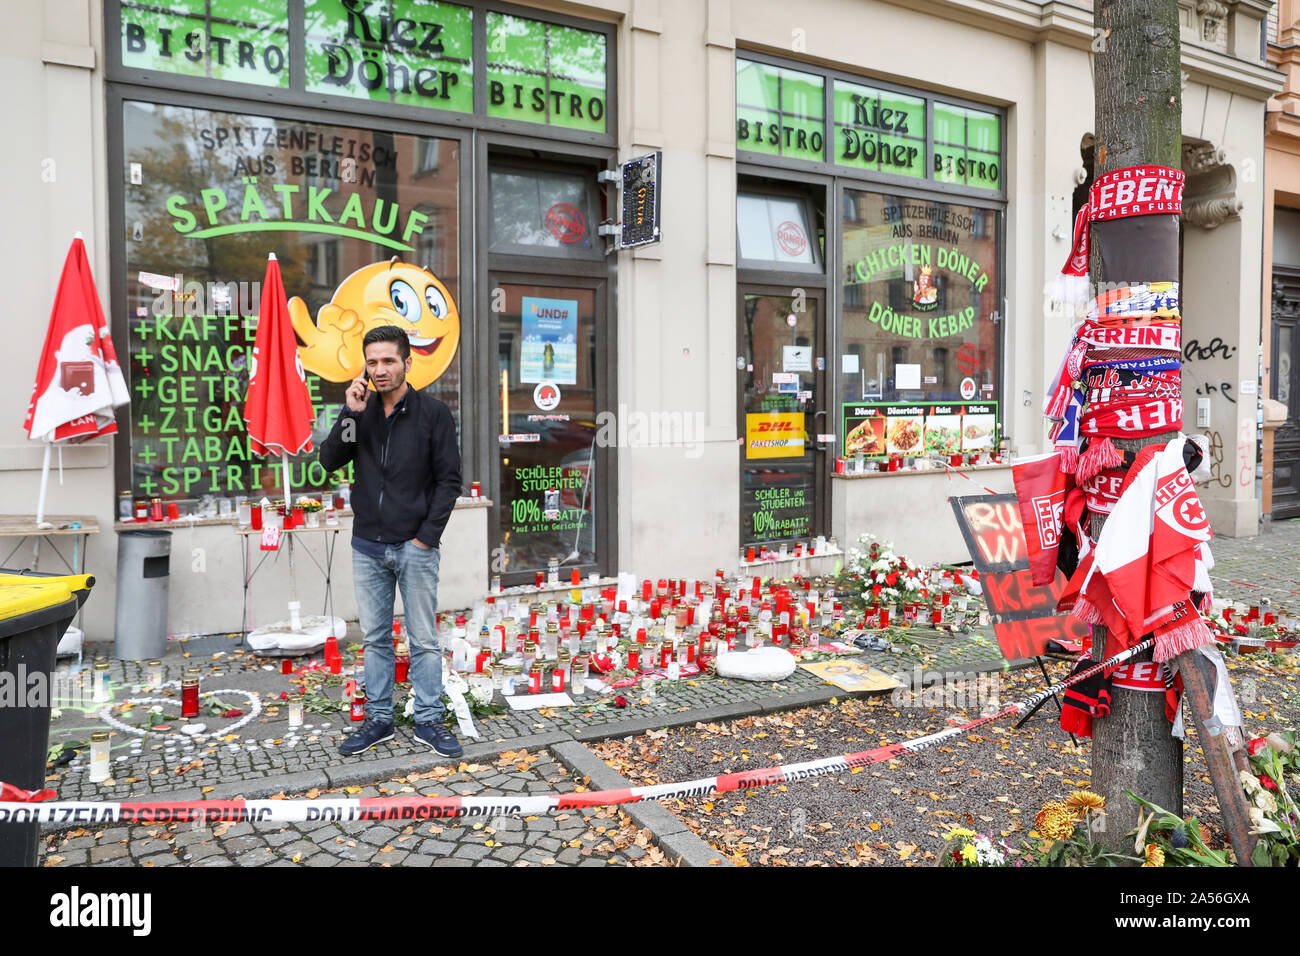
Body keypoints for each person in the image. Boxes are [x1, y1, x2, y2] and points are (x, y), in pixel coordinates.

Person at [319, 325, 463, 757]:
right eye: (373, 362)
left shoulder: (433, 414)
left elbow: (448, 481)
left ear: (407, 362)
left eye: (388, 361)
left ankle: (429, 720)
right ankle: (379, 720)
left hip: (414, 547)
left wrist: (425, 539)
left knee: (423, 639)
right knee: (376, 638)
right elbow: (330, 460)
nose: (379, 370)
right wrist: (349, 413)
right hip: (367, 545)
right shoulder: (358, 413)